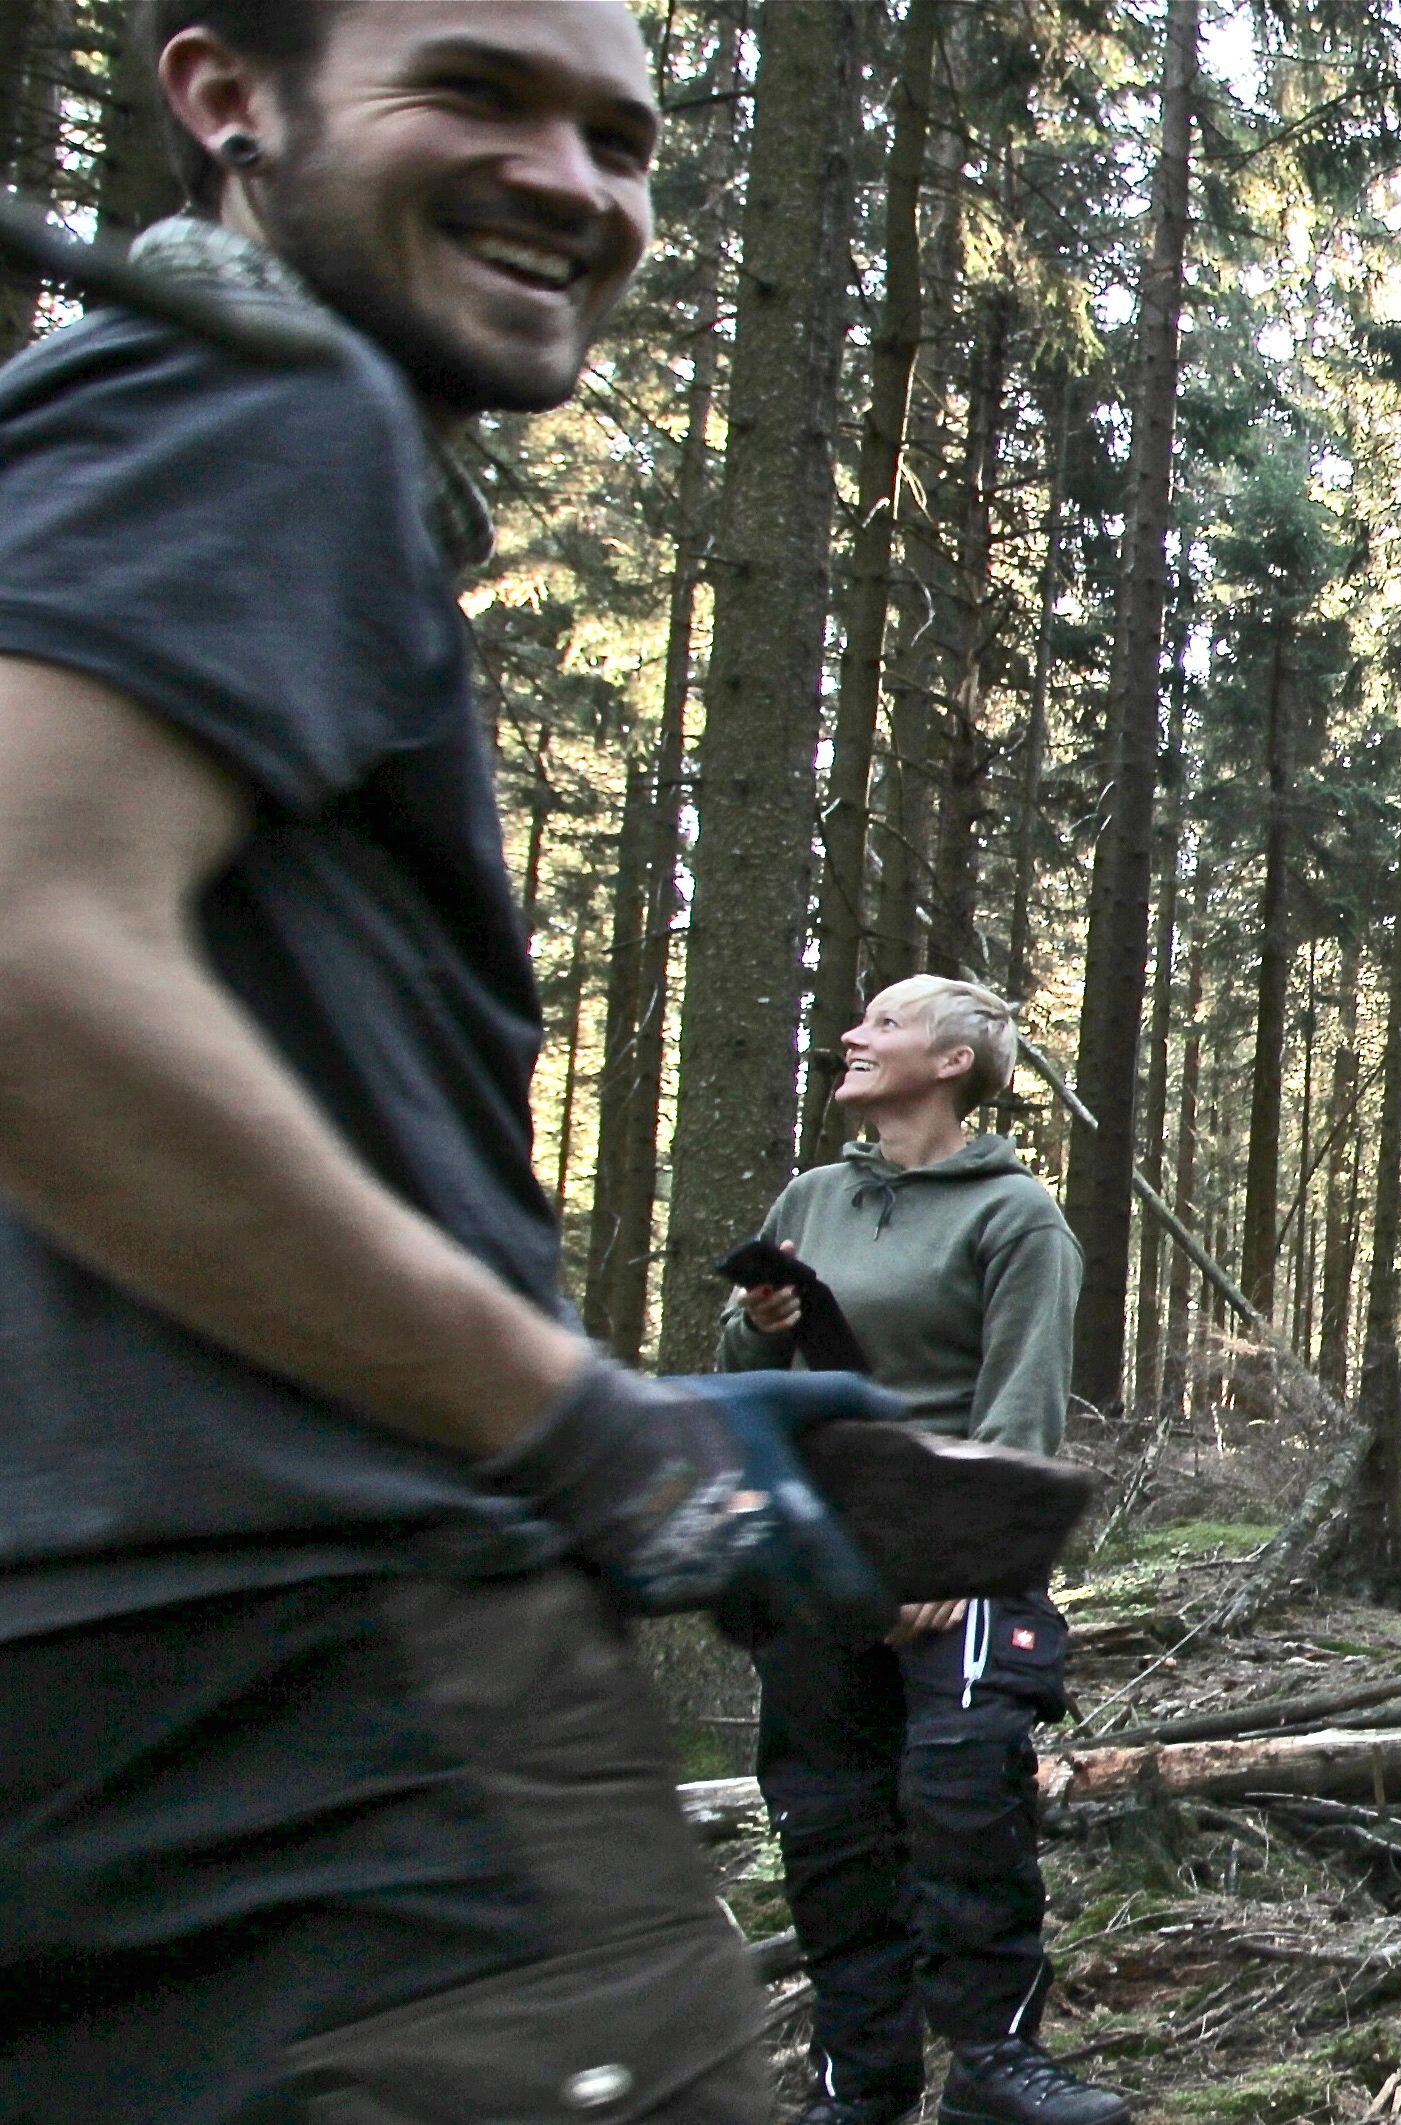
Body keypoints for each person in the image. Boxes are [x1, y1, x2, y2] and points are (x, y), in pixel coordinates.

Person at [0, 5, 909, 2122]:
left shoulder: (85, 433)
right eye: (475, 92)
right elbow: (28, 957)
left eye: (621, 136)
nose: (575, 186)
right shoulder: (266, 398)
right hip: (332, 1719)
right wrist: (575, 1426)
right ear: (228, 98)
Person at [724, 975, 1119, 2125]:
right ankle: (860, 2083)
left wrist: (960, 1559)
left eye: (885, 1022)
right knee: (829, 1814)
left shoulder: (1016, 1216)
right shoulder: (812, 1193)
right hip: (820, 1549)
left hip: (960, 1554)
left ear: (953, 1061)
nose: (852, 1033)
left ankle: (999, 2068)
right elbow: (751, 1378)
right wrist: (758, 1325)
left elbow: (1022, 1401)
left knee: (961, 1793)